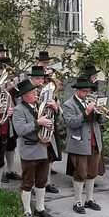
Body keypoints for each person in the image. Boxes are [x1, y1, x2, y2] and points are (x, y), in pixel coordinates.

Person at [11, 79, 56, 217]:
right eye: (32, 92)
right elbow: (20, 130)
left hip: (43, 148)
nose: (36, 94)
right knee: (28, 182)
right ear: (24, 96)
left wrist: (55, 110)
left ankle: (40, 208)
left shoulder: (39, 106)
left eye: (35, 91)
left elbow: (52, 121)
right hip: (29, 150)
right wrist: (38, 123)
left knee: (42, 181)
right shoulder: (19, 110)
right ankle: (27, 211)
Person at [62, 77, 105, 215]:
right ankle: (77, 201)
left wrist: (99, 113)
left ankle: (89, 199)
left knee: (92, 172)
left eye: (89, 91)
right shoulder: (68, 104)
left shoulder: (92, 102)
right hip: (79, 143)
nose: (87, 94)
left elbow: (101, 121)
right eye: (85, 91)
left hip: (94, 141)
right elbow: (71, 123)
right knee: (80, 173)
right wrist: (86, 112)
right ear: (78, 91)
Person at [29, 65, 61, 194]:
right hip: (33, 130)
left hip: (49, 128)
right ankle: (31, 185)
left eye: (42, 79)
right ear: (31, 79)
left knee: (49, 157)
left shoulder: (49, 92)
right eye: (37, 79)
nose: (41, 81)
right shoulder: (27, 92)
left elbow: (59, 115)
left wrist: (55, 107)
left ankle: (46, 182)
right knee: (33, 160)